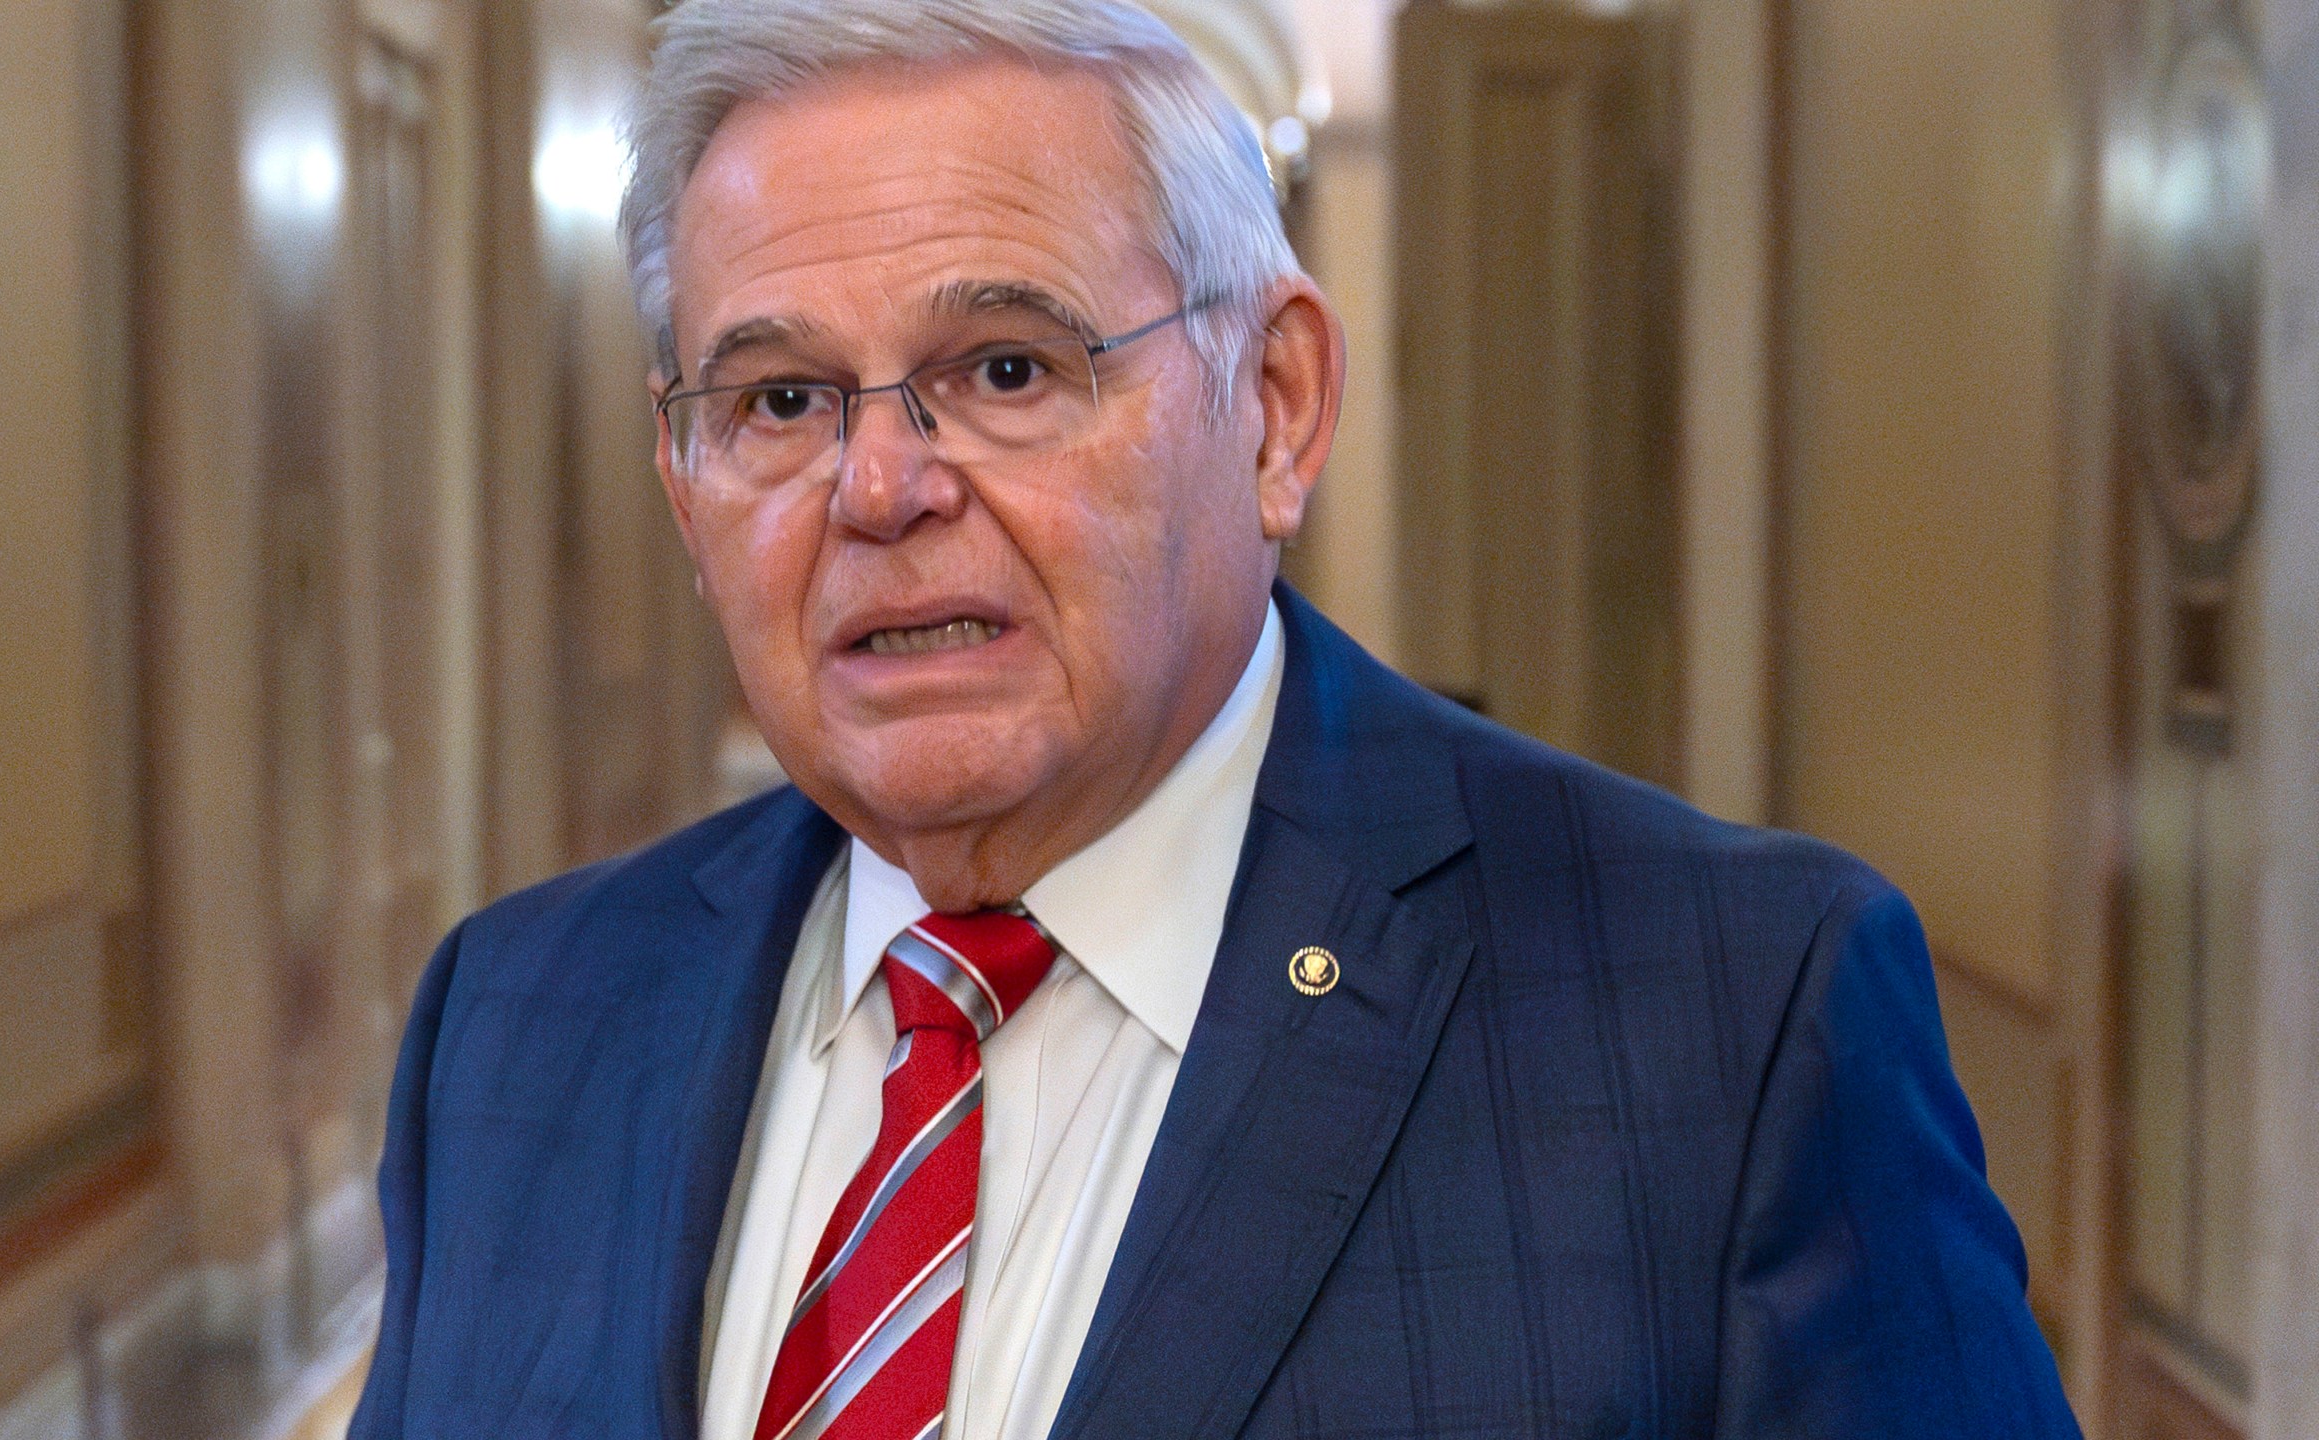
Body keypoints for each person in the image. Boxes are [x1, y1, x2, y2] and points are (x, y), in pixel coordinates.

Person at [349, 1, 2082, 1436]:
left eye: (1007, 371)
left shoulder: (1731, 1023)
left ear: (1274, 408)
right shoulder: (515, 1022)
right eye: (781, 399)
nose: (878, 487)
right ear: (683, 478)